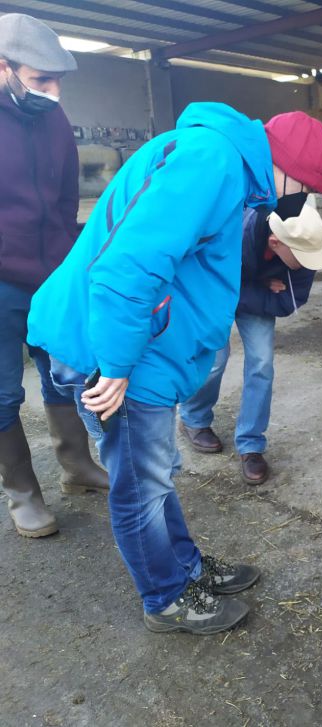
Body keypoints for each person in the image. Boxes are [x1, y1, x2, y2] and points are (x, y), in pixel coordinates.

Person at [27, 104, 322, 635]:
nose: (299, 199)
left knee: (156, 472)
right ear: (287, 169)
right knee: (140, 483)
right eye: (304, 187)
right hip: (115, 345)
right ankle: (165, 598)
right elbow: (130, 264)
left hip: (137, 341)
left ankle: (185, 568)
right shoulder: (211, 161)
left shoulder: (225, 164)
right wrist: (118, 364)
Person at [0, 13, 109, 539]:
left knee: (63, 374)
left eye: (58, 81)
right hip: (0, 282)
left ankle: (77, 467)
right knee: (3, 392)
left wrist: (71, 264)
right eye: (41, 80)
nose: (53, 91)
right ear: (4, 69)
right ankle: (23, 494)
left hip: (51, 276)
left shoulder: (54, 120)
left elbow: (67, 201)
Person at [179, 193, 322, 485]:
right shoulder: (234, 233)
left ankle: (250, 443)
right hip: (216, 290)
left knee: (262, 362)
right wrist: (258, 286)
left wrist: (249, 288)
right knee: (214, 359)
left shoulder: (305, 241)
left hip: (249, 293)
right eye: (300, 257)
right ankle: (193, 418)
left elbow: (289, 301)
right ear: (275, 243)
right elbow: (208, 278)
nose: (307, 263)